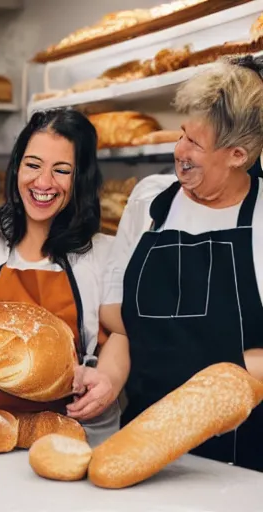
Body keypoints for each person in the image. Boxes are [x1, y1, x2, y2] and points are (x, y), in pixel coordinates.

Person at [0, 108, 127, 447]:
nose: (43, 183)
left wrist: (110, 380)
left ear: (81, 179)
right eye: (33, 165)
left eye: (61, 170)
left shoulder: (103, 251)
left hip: (75, 441)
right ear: (17, 166)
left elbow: (119, 332)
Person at [101, 54, 263, 471]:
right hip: (141, 442)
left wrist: (206, 370)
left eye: (196, 143)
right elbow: (114, 314)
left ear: (238, 155)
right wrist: (107, 379)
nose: (179, 151)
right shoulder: (150, 200)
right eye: (182, 134)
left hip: (240, 458)